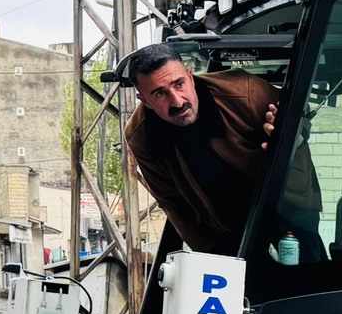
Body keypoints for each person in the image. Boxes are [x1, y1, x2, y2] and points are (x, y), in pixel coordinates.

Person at [123, 45, 320, 257]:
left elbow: (299, 114)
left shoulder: (246, 92)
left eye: (179, 84)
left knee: (309, 277)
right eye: (159, 93)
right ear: (144, 100)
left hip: (288, 205)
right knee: (243, 286)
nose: (177, 102)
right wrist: (208, 251)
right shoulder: (140, 135)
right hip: (225, 225)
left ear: (191, 77)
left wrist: (293, 136)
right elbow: (172, 201)